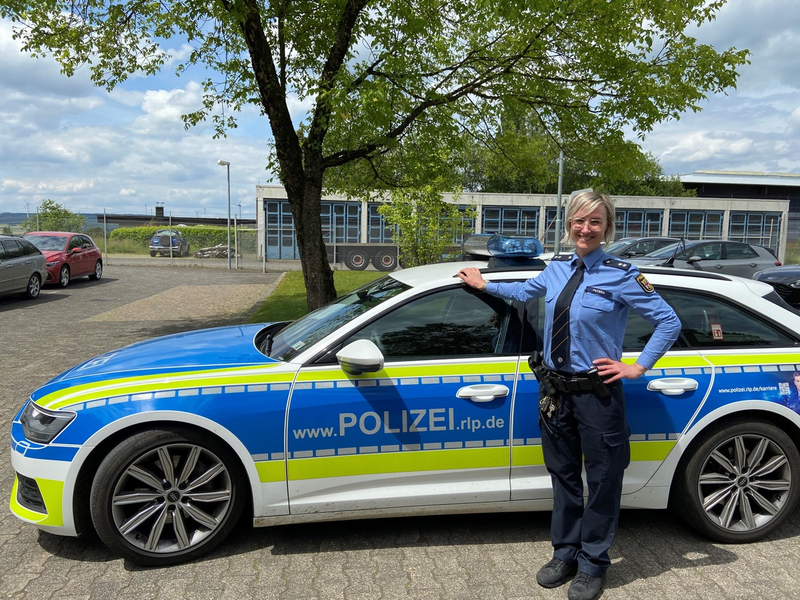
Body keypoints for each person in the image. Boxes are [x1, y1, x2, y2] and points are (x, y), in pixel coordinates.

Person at [457, 191, 681, 600]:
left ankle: (594, 563)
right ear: (569, 224)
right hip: (555, 390)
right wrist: (484, 283)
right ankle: (566, 552)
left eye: (595, 221)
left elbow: (668, 321)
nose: (586, 228)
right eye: (579, 220)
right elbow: (525, 292)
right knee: (562, 476)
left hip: (597, 395)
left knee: (602, 480)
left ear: (607, 228)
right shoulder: (557, 268)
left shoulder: (622, 274)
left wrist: (637, 366)